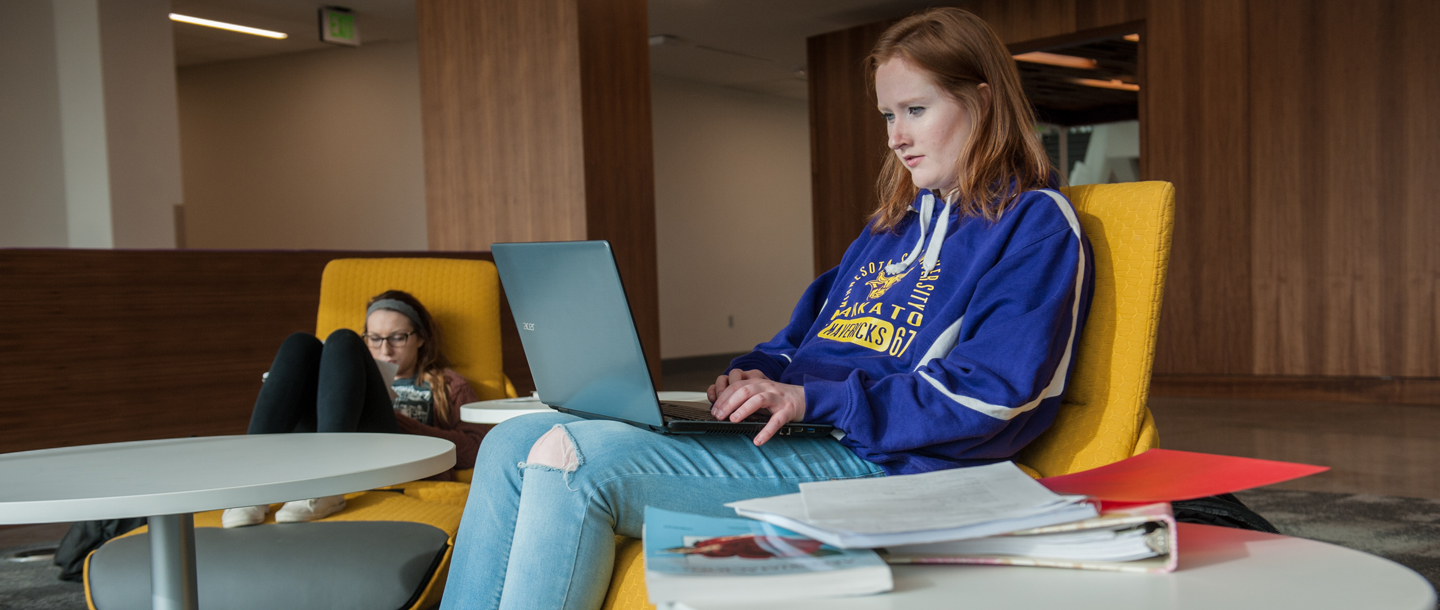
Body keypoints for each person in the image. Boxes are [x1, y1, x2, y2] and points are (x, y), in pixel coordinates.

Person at [440, 8, 1094, 609]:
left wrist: (818, 402)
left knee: (572, 465)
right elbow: (799, 343)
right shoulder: (889, 226)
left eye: (915, 110)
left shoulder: (1034, 224)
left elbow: (993, 397)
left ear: (981, 100)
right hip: (812, 431)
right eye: (888, 116)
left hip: (892, 459)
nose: (896, 137)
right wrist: (753, 375)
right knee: (513, 443)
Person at [221, 290, 490, 528]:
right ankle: (251, 489)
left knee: (343, 340)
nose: (385, 349)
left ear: (420, 338)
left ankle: (325, 485)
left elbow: (479, 449)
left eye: (397, 337)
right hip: (328, 444)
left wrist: (408, 427)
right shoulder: (343, 375)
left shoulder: (449, 384)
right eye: (374, 338)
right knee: (300, 345)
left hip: (389, 455)